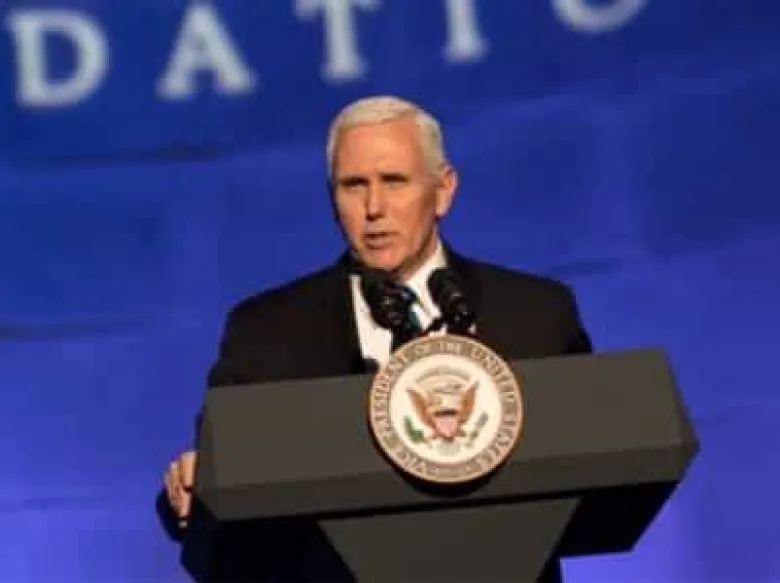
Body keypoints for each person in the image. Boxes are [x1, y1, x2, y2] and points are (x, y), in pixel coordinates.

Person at [158, 95, 593, 581]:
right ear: (332, 199)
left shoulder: (535, 313)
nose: (374, 208)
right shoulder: (266, 331)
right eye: (354, 185)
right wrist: (190, 492)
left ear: (443, 190)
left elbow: (597, 458)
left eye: (394, 181)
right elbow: (216, 484)